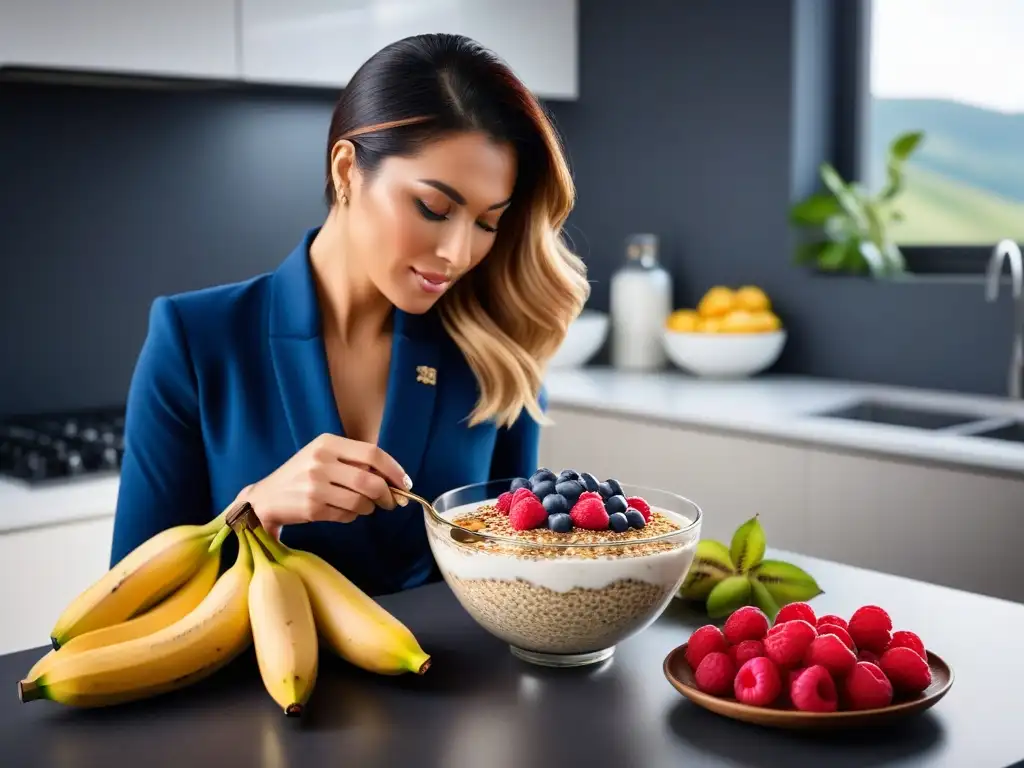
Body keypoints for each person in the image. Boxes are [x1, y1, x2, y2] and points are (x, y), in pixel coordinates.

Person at [108, 33, 590, 596]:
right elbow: (127, 603)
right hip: (249, 682)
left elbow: (515, 582)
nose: (458, 254)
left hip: (456, 681)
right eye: (434, 208)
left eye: (487, 223)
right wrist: (254, 510)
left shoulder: (495, 352)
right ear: (346, 170)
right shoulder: (195, 340)